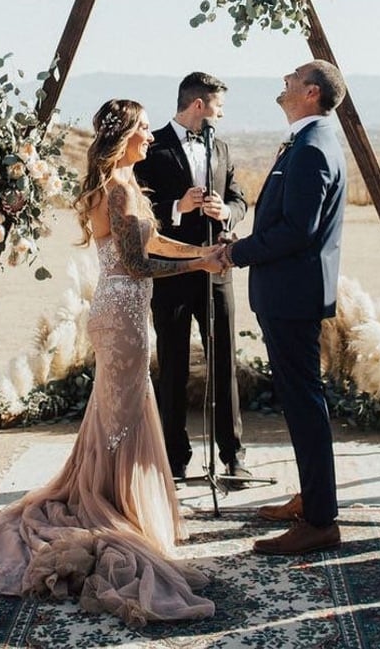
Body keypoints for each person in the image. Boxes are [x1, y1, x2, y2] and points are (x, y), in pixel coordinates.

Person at [0, 99, 222, 626]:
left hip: (123, 309)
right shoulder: (117, 187)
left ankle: (117, 497)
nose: (152, 137)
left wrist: (200, 255)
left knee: (119, 410)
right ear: (125, 134)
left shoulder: (125, 182)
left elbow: (153, 241)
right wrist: (201, 261)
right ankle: (119, 507)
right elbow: (136, 262)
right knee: (123, 413)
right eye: (146, 130)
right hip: (123, 312)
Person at [217, 60, 348, 555]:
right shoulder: (307, 141)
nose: (284, 84)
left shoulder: (313, 149)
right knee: (299, 403)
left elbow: (298, 230)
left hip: (293, 297)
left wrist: (235, 252)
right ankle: (313, 498)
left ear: (311, 92)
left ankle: (319, 521)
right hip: (289, 293)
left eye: (291, 79)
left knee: (303, 404)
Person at [134, 72, 248, 483]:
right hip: (173, 274)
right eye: (217, 105)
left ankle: (233, 455)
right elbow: (139, 210)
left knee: (224, 365)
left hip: (217, 272)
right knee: (174, 366)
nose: (221, 112)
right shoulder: (153, 147)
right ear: (198, 104)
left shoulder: (221, 146)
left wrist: (227, 212)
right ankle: (174, 456)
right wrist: (178, 207)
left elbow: (239, 197)